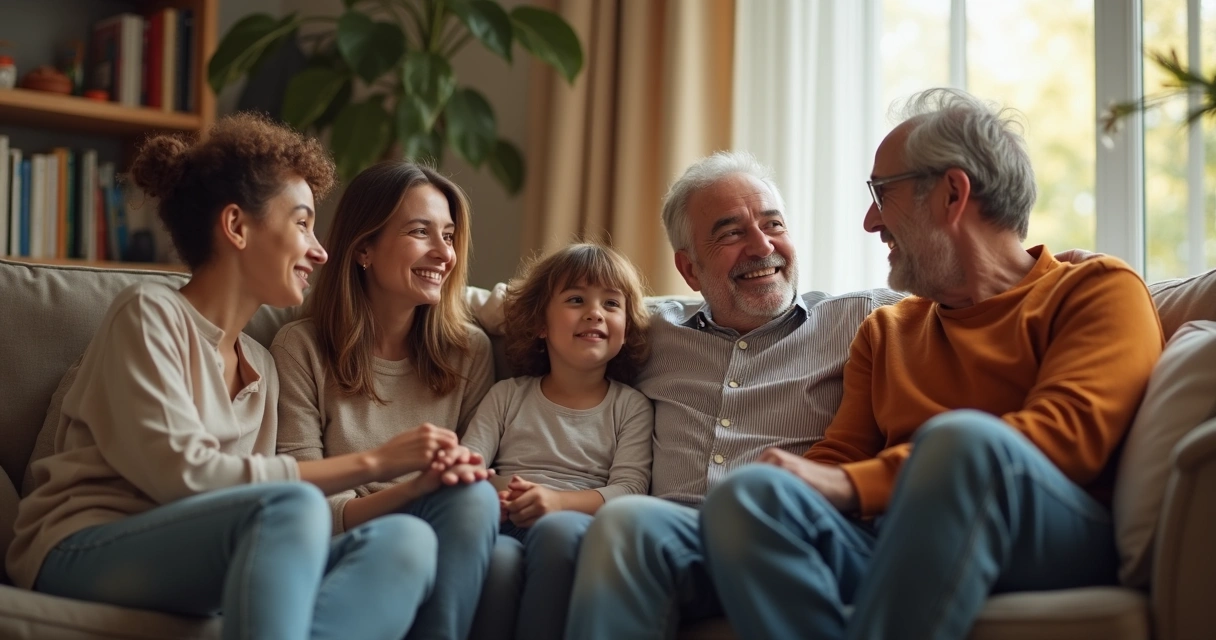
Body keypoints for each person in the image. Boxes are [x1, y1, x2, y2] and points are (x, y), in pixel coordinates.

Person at [558, 147, 1110, 636]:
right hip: (704, 532)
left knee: (942, 445)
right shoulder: (643, 333)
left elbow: (982, 284)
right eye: (730, 233)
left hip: (800, 534)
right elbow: (543, 317)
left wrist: (1045, 269)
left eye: (773, 224)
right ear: (689, 269)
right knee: (633, 522)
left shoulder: (862, 317)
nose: (761, 245)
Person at [697, 88, 1164, 639]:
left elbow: (1067, 438)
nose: (870, 221)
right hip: (900, 538)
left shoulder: (1097, 289)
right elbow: (839, 458)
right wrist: (793, 488)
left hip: (1050, 535)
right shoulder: (887, 331)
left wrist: (849, 484)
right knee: (749, 498)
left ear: (952, 194)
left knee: (963, 441)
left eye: (882, 193)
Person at [5, 114, 449, 639]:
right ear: (237, 226)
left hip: (203, 552)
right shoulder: (149, 314)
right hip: (84, 546)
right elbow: (186, 478)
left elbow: (265, 520)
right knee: (293, 507)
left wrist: (417, 485)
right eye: (302, 223)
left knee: (407, 542)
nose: (320, 250)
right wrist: (376, 462)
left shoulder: (262, 364)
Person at [271, 160, 502, 640]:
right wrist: (414, 490)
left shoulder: (469, 350)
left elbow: (471, 478)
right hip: (349, 542)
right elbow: (307, 503)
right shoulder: (301, 347)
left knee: (474, 497)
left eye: (449, 236)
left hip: (445, 524)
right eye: (420, 232)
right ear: (363, 249)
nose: (444, 253)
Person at [461, 242, 654, 640]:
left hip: (576, 528)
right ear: (540, 324)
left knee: (556, 533)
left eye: (611, 304)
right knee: (498, 565)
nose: (595, 312)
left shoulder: (631, 406)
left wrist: (557, 502)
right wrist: (501, 496)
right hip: (503, 523)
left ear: (626, 329)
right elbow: (468, 465)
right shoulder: (506, 395)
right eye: (576, 299)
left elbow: (629, 489)